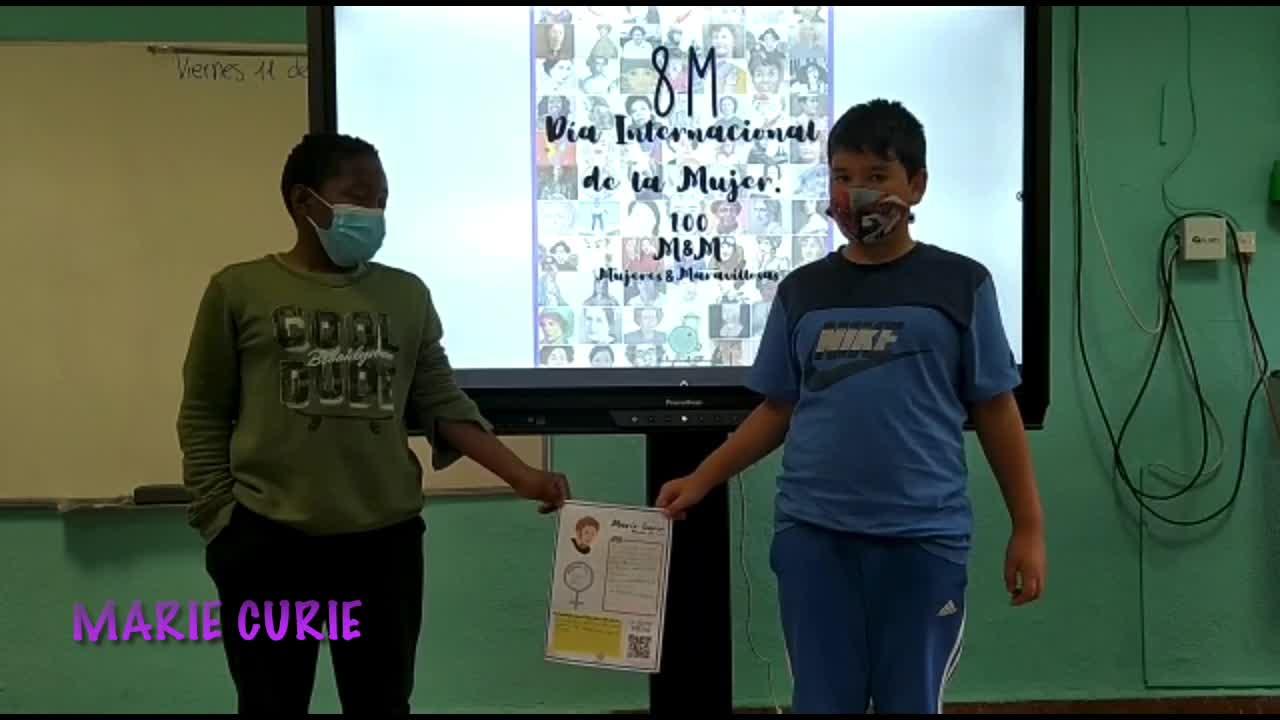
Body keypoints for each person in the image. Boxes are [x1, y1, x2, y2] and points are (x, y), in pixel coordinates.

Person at [655, 100, 1046, 714]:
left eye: (876, 176)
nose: (854, 193)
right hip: (814, 541)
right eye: (841, 176)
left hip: (922, 542)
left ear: (916, 186)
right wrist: (701, 479)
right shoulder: (803, 291)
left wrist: (1029, 528)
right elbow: (777, 410)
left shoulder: (962, 284)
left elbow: (997, 409)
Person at [178, 133, 570, 715]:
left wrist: (523, 476)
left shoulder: (405, 294)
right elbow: (204, 412)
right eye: (358, 197)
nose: (373, 213)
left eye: (382, 200)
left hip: (382, 545)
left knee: (382, 704)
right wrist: (220, 519)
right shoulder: (239, 290)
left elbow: (441, 401)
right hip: (268, 544)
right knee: (270, 703)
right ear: (303, 201)